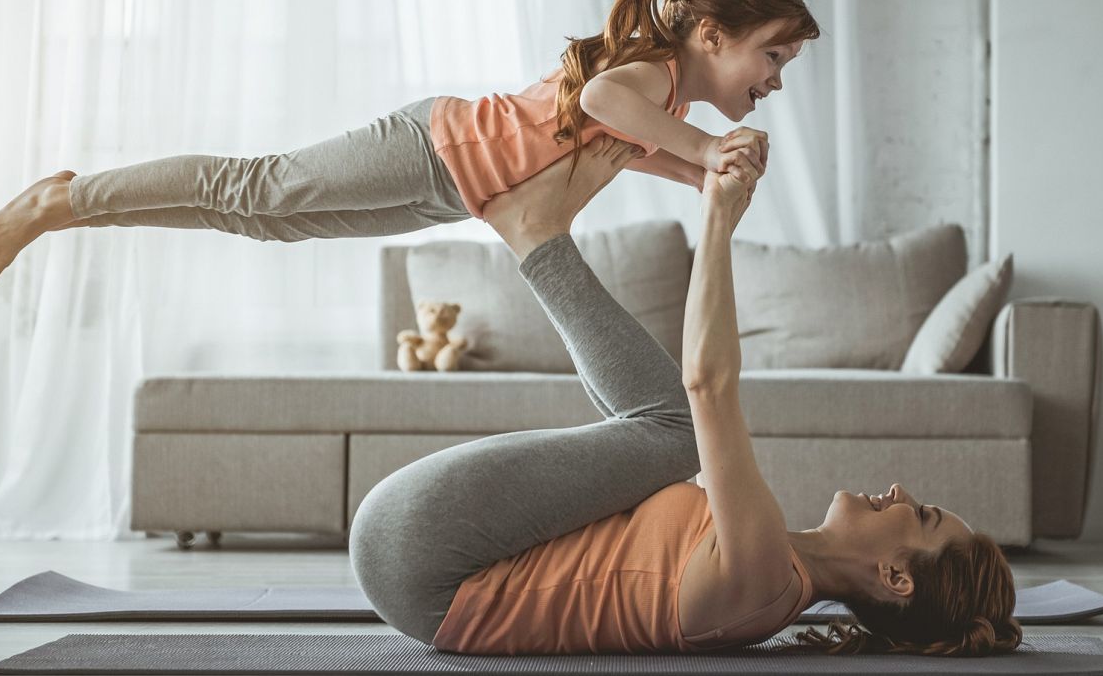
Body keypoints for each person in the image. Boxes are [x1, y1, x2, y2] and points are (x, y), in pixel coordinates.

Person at [348, 134, 1023, 657]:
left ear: (896, 577)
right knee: (667, 436)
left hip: (425, 559)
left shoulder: (764, 580)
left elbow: (707, 387)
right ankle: (538, 233)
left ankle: (536, 233)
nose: (902, 491)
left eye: (924, 515)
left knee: (676, 433)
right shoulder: (771, 565)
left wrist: (719, 217)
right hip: (422, 557)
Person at [0, 0, 817, 282]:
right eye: (772, 53)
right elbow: (599, 98)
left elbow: (627, 144)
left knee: (264, 222)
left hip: (454, 191)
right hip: (435, 146)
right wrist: (707, 152)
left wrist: (697, 180)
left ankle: (79, 208)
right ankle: (61, 202)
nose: (775, 77)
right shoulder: (653, 74)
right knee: (254, 186)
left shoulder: (662, 96)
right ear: (712, 33)